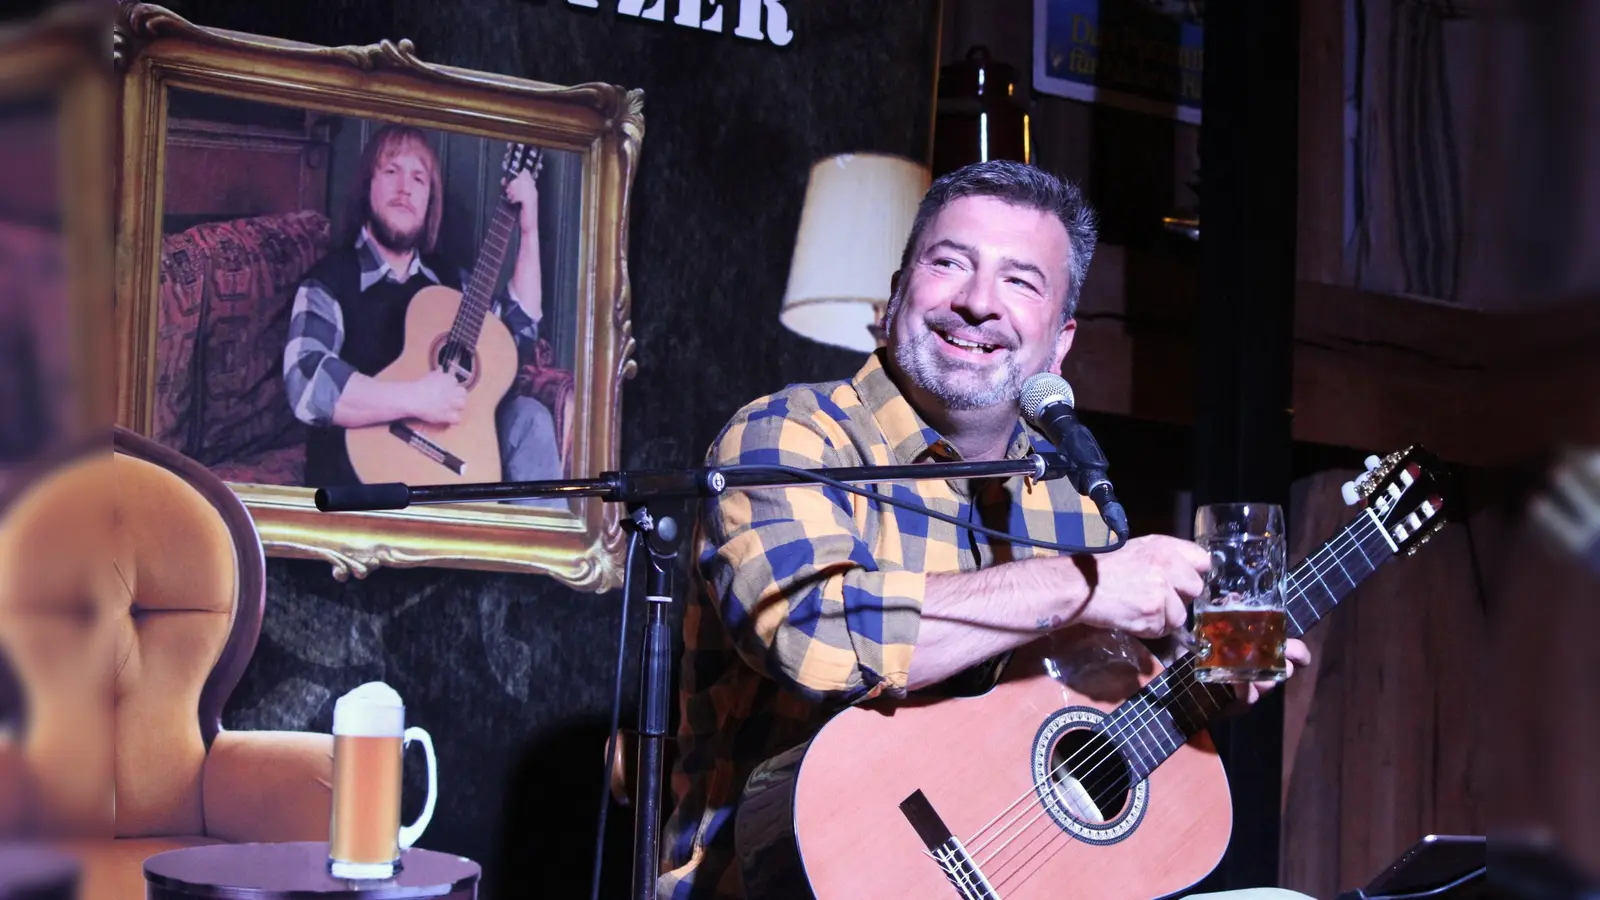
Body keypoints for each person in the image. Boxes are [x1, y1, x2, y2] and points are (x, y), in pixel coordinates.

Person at [658, 160, 1315, 900]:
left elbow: (1065, 724)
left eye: (1020, 281)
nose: (976, 303)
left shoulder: (1073, 500)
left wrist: (1194, 696)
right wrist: (1078, 588)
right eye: (949, 264)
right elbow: (813, 635)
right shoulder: (789, 438)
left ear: (1060, 342)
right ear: (897, 292)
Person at [282, 123, 563, 505]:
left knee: (530, 417)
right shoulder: (327, 282)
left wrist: (528, 231)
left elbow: (517, 339)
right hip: (365, 470)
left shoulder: (452, 283)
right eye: (391, 171)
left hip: (454, 457)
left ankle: (538, 561)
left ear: (430, 200)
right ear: (368, 185)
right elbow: (307, 380)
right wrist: (415, 398)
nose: (405, 188)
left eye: (419, 178)